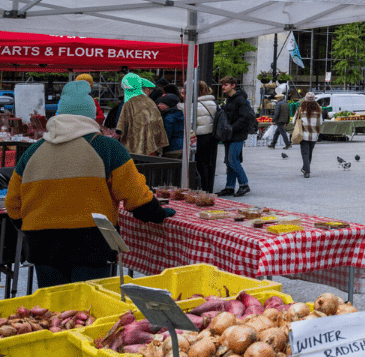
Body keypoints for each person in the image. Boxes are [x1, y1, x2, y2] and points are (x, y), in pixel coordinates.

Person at [5, 80, 172, 287]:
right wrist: (159, 213)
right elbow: (137, 197)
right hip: (92, 243)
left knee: (55, 311)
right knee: (91, 307)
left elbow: (12, 202)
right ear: (92, 116)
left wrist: (31, 226)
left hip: (42, 244)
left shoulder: (32, 152)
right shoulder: (107, 147)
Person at [217, 76, 256, 198]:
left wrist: (232, 127)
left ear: (233, 85)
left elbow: (247, 116)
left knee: (233, 160)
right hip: (229, 135)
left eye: (226, 84)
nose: (223, 87)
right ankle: (229, 187)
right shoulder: (229, 99)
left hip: (237, 135)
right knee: (229, 162)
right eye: (222, 85)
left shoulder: (240, 100)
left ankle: (244, 184)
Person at [116, 74, 168, 156]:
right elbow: (158, 122)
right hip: (152, 145)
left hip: (134, 147)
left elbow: (121, 125)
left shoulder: (129, 103)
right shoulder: (150, 102)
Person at [194, 81, 220, 193]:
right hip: (213, 136)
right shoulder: (214, 103)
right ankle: (209, 188)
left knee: (201, 163)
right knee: (210, 163)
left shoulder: (196, 105)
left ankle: (203, 188)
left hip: (201, 136)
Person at [294, 92, 323, 178]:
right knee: (309, 153)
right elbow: (321, 122)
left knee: (305, 153)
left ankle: (306, 171)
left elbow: (294, 121)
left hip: (303, 135)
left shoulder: (300, 109)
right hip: (314, 135)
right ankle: (305, 168)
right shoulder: (318, 110)